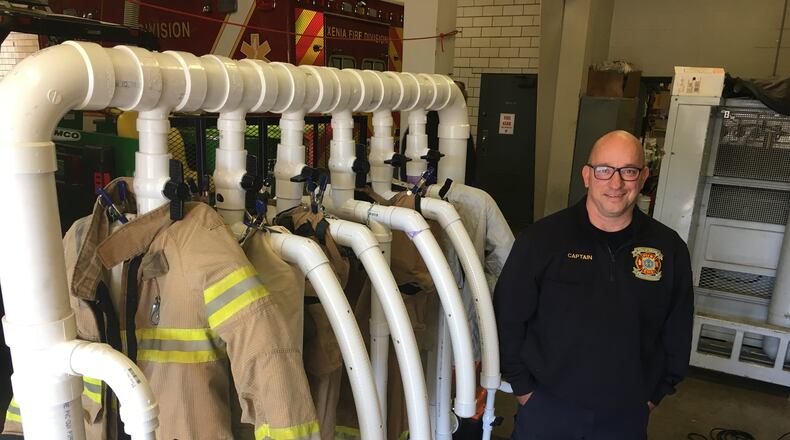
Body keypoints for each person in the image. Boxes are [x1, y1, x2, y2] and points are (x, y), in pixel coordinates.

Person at [494, 130, 694, 439]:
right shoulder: (542, 241)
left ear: (643, 178)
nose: (616, 184)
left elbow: (678, 329)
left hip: (626, 414)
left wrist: (655, 393)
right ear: (587, 176)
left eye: (628, 171)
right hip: (547, 408)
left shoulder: (668, 249)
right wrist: (523, 389)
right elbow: (507, 318)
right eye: (604, 170)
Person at [399, 80, 477, 185]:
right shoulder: (460, 129)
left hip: (420, 183)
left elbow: (407, 155)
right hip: (448, 185)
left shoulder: (423, 123)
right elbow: (471, 163)